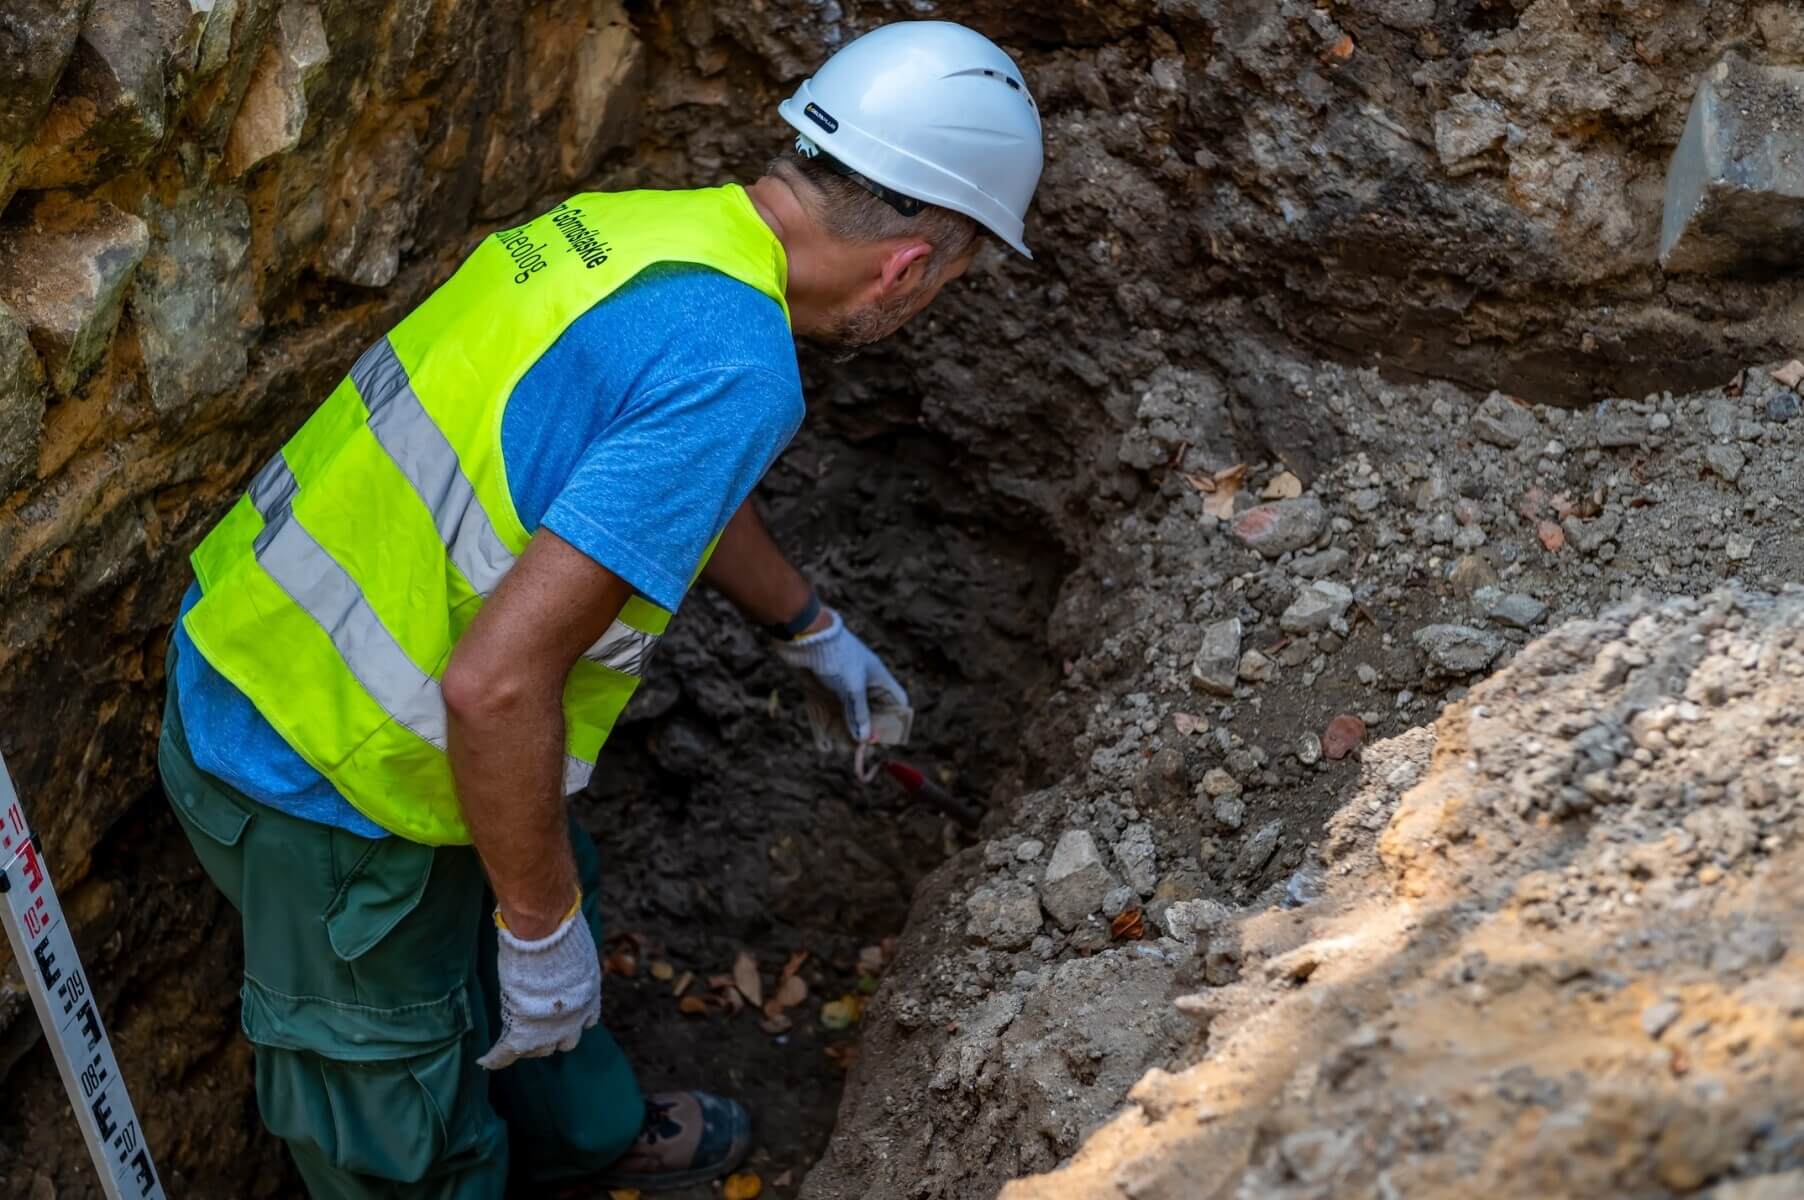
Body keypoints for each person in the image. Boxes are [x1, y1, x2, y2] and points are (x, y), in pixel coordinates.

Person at [155, 19, 1043, 1198]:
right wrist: (533, 930)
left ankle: (583, 1135)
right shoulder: (736, 364)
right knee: (396, 1111)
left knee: (544, 879)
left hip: (292, 646)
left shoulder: (641, 227)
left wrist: (807, 626)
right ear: (909, 268)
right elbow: (496, 685)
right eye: (952, 284)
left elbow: (639, 486)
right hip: (321, 768)